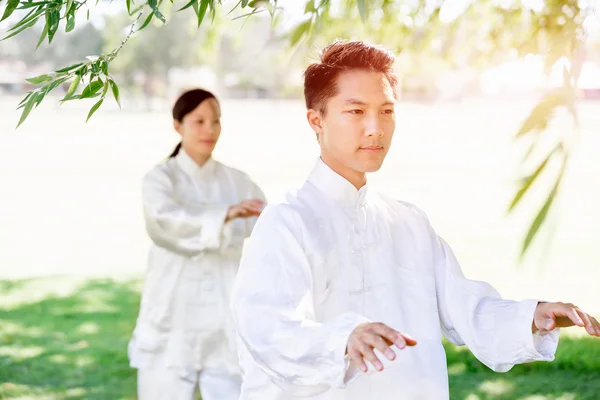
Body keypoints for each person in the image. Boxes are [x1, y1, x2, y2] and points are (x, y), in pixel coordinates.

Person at [230, 41, 600, 400]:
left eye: (387, 111)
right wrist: (342, 339)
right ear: (316, 120)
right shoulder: (287, 222)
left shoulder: (407, 222)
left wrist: (533, 316)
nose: (375, 127)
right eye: (356, 111)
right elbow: (268, 328)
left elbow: (464, 308)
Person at [128, 88, 266, 400]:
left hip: (224, 314)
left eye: (216, 121)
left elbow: (268, 228)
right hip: (172, 314)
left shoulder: (238, 181)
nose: (209, 130)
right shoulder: (159, 180)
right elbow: (165, 223)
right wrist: (225, 214)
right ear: (178, 125)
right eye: (199, 121)